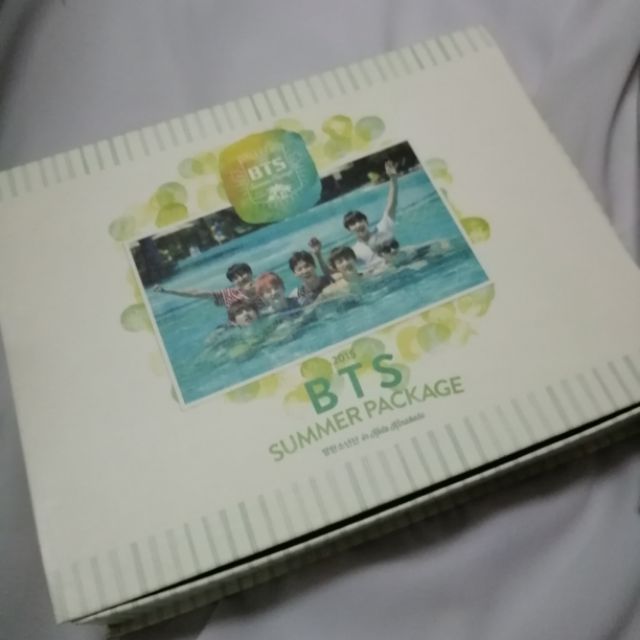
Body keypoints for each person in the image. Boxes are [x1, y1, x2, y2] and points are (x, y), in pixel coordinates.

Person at [343, 160, 398, 268]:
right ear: (349, 230)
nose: (358, 225)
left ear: (366, 221)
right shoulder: (354, 252)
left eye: (360, 220)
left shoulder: (382, 229)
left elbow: (392, 203)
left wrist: (393, 178)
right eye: (352, 224)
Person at [154, 262, 259, 309]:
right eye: (235, 278)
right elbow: (196, 293)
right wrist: (168, 291)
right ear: (233, 283)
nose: (241, 279)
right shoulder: (229, 295)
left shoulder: (263, 283)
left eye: (242, 274)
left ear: (250, 273)